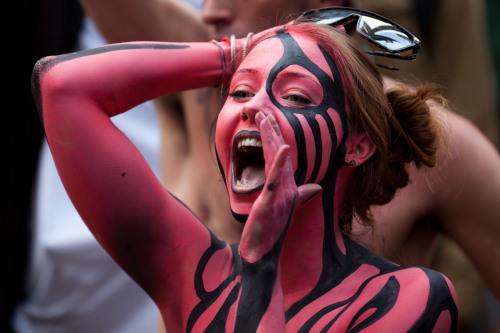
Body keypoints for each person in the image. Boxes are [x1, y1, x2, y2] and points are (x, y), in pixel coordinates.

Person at [33, 16, 458, 331]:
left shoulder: (402, 300)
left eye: (294, 94)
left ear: (356, 144)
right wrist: (237, 51)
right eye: (239, 91)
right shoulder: (195, 273)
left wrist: (261, 261)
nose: (253, 106)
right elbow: (61, 86)